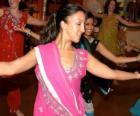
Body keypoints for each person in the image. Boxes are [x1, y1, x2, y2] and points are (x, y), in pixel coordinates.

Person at [0, 3, 140, 116]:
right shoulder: (41, 53)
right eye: (78, 24)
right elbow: (9, 68)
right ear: (63, 24)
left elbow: (112, 73)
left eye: (84, 25)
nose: (83, 29)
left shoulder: (83, 56)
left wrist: (136, 75)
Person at [75, 11, 140, 116]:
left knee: (89, 112)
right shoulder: (74, 40)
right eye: (87, 24)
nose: (90, 27)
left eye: (92, 24)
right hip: (72, 84)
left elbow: (115, 59)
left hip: (85, 86)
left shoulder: (95, 43)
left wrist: (136, 58)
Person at [0, 0, 46, 116]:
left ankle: (14, 107)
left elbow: (42, 23)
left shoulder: (25, 16)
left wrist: (57, 20)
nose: (11, 0)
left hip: (16, 57)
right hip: (1, 54)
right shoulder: (2, 11)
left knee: (14, 83)